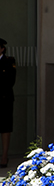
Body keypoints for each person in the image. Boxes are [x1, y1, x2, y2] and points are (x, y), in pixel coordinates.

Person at [0, 38, 16, 168]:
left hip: (4, 99)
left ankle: (4, 156)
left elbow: (10, 81)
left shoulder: (9, 61)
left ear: (2, 49)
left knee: (5, 128)